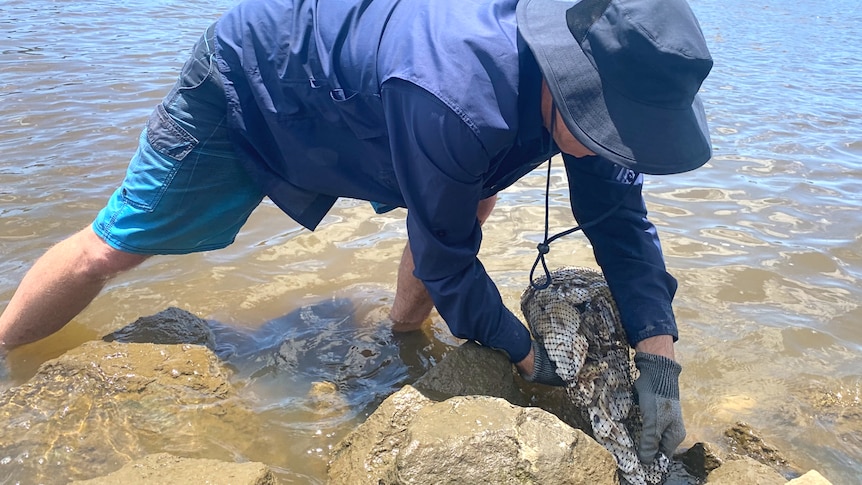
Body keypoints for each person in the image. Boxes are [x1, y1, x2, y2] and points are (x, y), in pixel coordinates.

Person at [0, 0, 712, 464]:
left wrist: (659, 353)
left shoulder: (590, 65)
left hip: (382, 99)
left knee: (472, 200)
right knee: (113, 248)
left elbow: (620, 218)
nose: (613, 147)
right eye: (605, 129)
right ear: (569, 80)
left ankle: (399, 333)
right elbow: (447, 257)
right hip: (253, 80)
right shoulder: (459, 94)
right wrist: (527, 356)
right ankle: (4, 349)